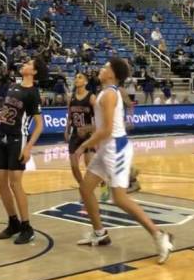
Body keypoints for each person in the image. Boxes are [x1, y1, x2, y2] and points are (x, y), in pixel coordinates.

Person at [74, 58, 174, 264]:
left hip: (115, 150)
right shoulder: (106, 92)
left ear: (112, 74)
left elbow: (108, 130)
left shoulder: (110, 94)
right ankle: (100, 233)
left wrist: (83, 146)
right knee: (85, 189)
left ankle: (159, 235)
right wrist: (90, 131)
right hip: (105, 149)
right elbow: (105, 126)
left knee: (118, 198)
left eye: (105, 66)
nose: (101, 68)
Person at [0, 57, 47, 245]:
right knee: (0, 181)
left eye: (28, 64)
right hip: (2, 136)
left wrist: (28, 147)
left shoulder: (33, 93)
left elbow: (39, 125)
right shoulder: (13, 86)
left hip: (17, 140)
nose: (24, 64)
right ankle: (13, 222)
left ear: (34, 72)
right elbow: (6, 113)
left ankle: (27, 227)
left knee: (15, 184)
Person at [65, 72, 96, 187]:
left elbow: (98, 117)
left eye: (80, 77)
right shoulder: (71, 97)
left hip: (88, 135)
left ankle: (101, 184)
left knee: (90, 166)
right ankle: (82, 185)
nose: (77, 79)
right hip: (75, 133)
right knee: (73, 165)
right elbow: (69, 115)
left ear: (85, 82)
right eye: (76, 77)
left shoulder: (91, 97)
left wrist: (93, 131)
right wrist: (66, 129)